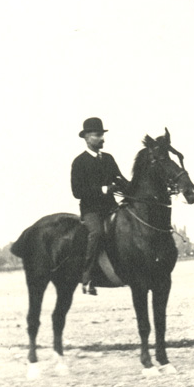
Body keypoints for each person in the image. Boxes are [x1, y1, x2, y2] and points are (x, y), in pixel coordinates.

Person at [71, 117, 128, 295]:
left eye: (102, 135)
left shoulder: (109, 159)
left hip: (111, 208)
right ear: (87, 137)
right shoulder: (79, 162)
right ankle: (87, 277)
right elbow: (77, 191)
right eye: (97, 135)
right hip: (91, 211)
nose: (102, 139)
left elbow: (121, 180)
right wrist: (104, 189)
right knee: (96, 233)